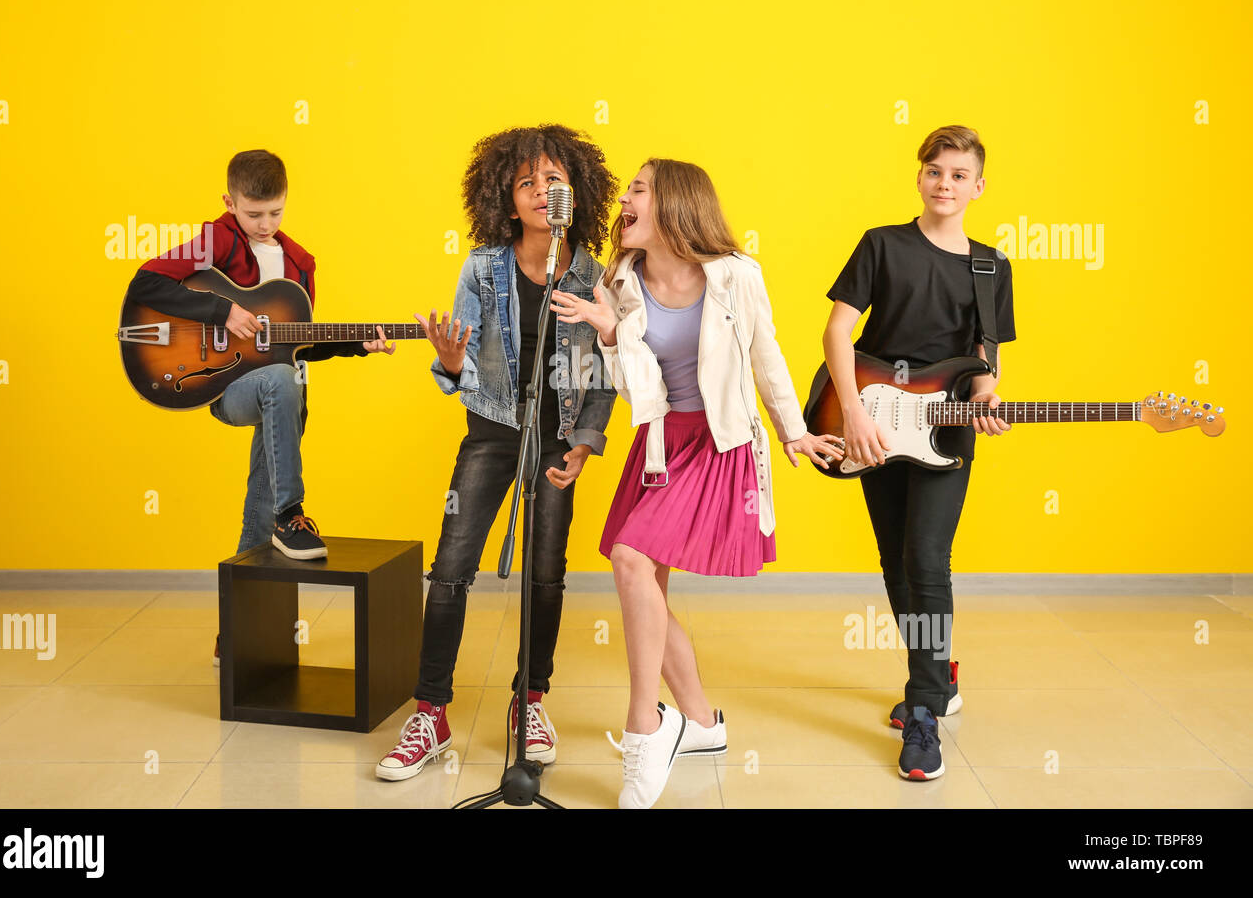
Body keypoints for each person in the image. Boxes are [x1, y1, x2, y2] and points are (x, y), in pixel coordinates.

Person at [551, 158, 844, 809]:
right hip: (660, 440)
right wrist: (608, 334)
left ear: (675, 203)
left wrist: (794, 430)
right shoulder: (621, 280)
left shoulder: (736, 276)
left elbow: (766, 354)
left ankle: (644, 728)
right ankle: (703, 726)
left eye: (637, 189)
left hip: (718, 444)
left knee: (630, 561)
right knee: (644, 583)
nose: (623, 199)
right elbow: (632, 386)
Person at [376, 125, 618, 782]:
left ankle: (529, 702)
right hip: (491, 430)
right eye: (526, 182)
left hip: (559, 441)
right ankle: (431, 712)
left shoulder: (595, 275)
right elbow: (457, 362)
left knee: (545, 573)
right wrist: (451, 363)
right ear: (507, 202)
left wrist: (586, 446)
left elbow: (606, 372)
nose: (542, 191)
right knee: (452, 567)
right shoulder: (482, 269)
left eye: (554, 179)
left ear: (577, 191)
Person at [125, 149, 395, 664]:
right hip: (226, 386)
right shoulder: (217, 239)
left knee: (257, 502)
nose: (265, 224)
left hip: (282, 391)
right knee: (275, 385)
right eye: (253, 214)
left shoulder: (300, 263)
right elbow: (147, 283)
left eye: (275, 212)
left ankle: (236, 639)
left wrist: (358, 343)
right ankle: (291, 516)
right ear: (230, 202)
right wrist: (222, 309)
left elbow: (294, 342)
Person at [821, 125, 1017, 780]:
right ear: (919, 177)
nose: (945, 184)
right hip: (872, 419)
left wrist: (988, 398)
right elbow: (838, 332)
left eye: (959, 175)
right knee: (895, 561)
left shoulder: (991, 265)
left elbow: (985, 355)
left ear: (979, 187)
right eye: (935, 171)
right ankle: (936, 670)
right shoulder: (882, 245)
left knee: (928, 557)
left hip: (947, 428)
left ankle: (925, 705)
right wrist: (851, 413)